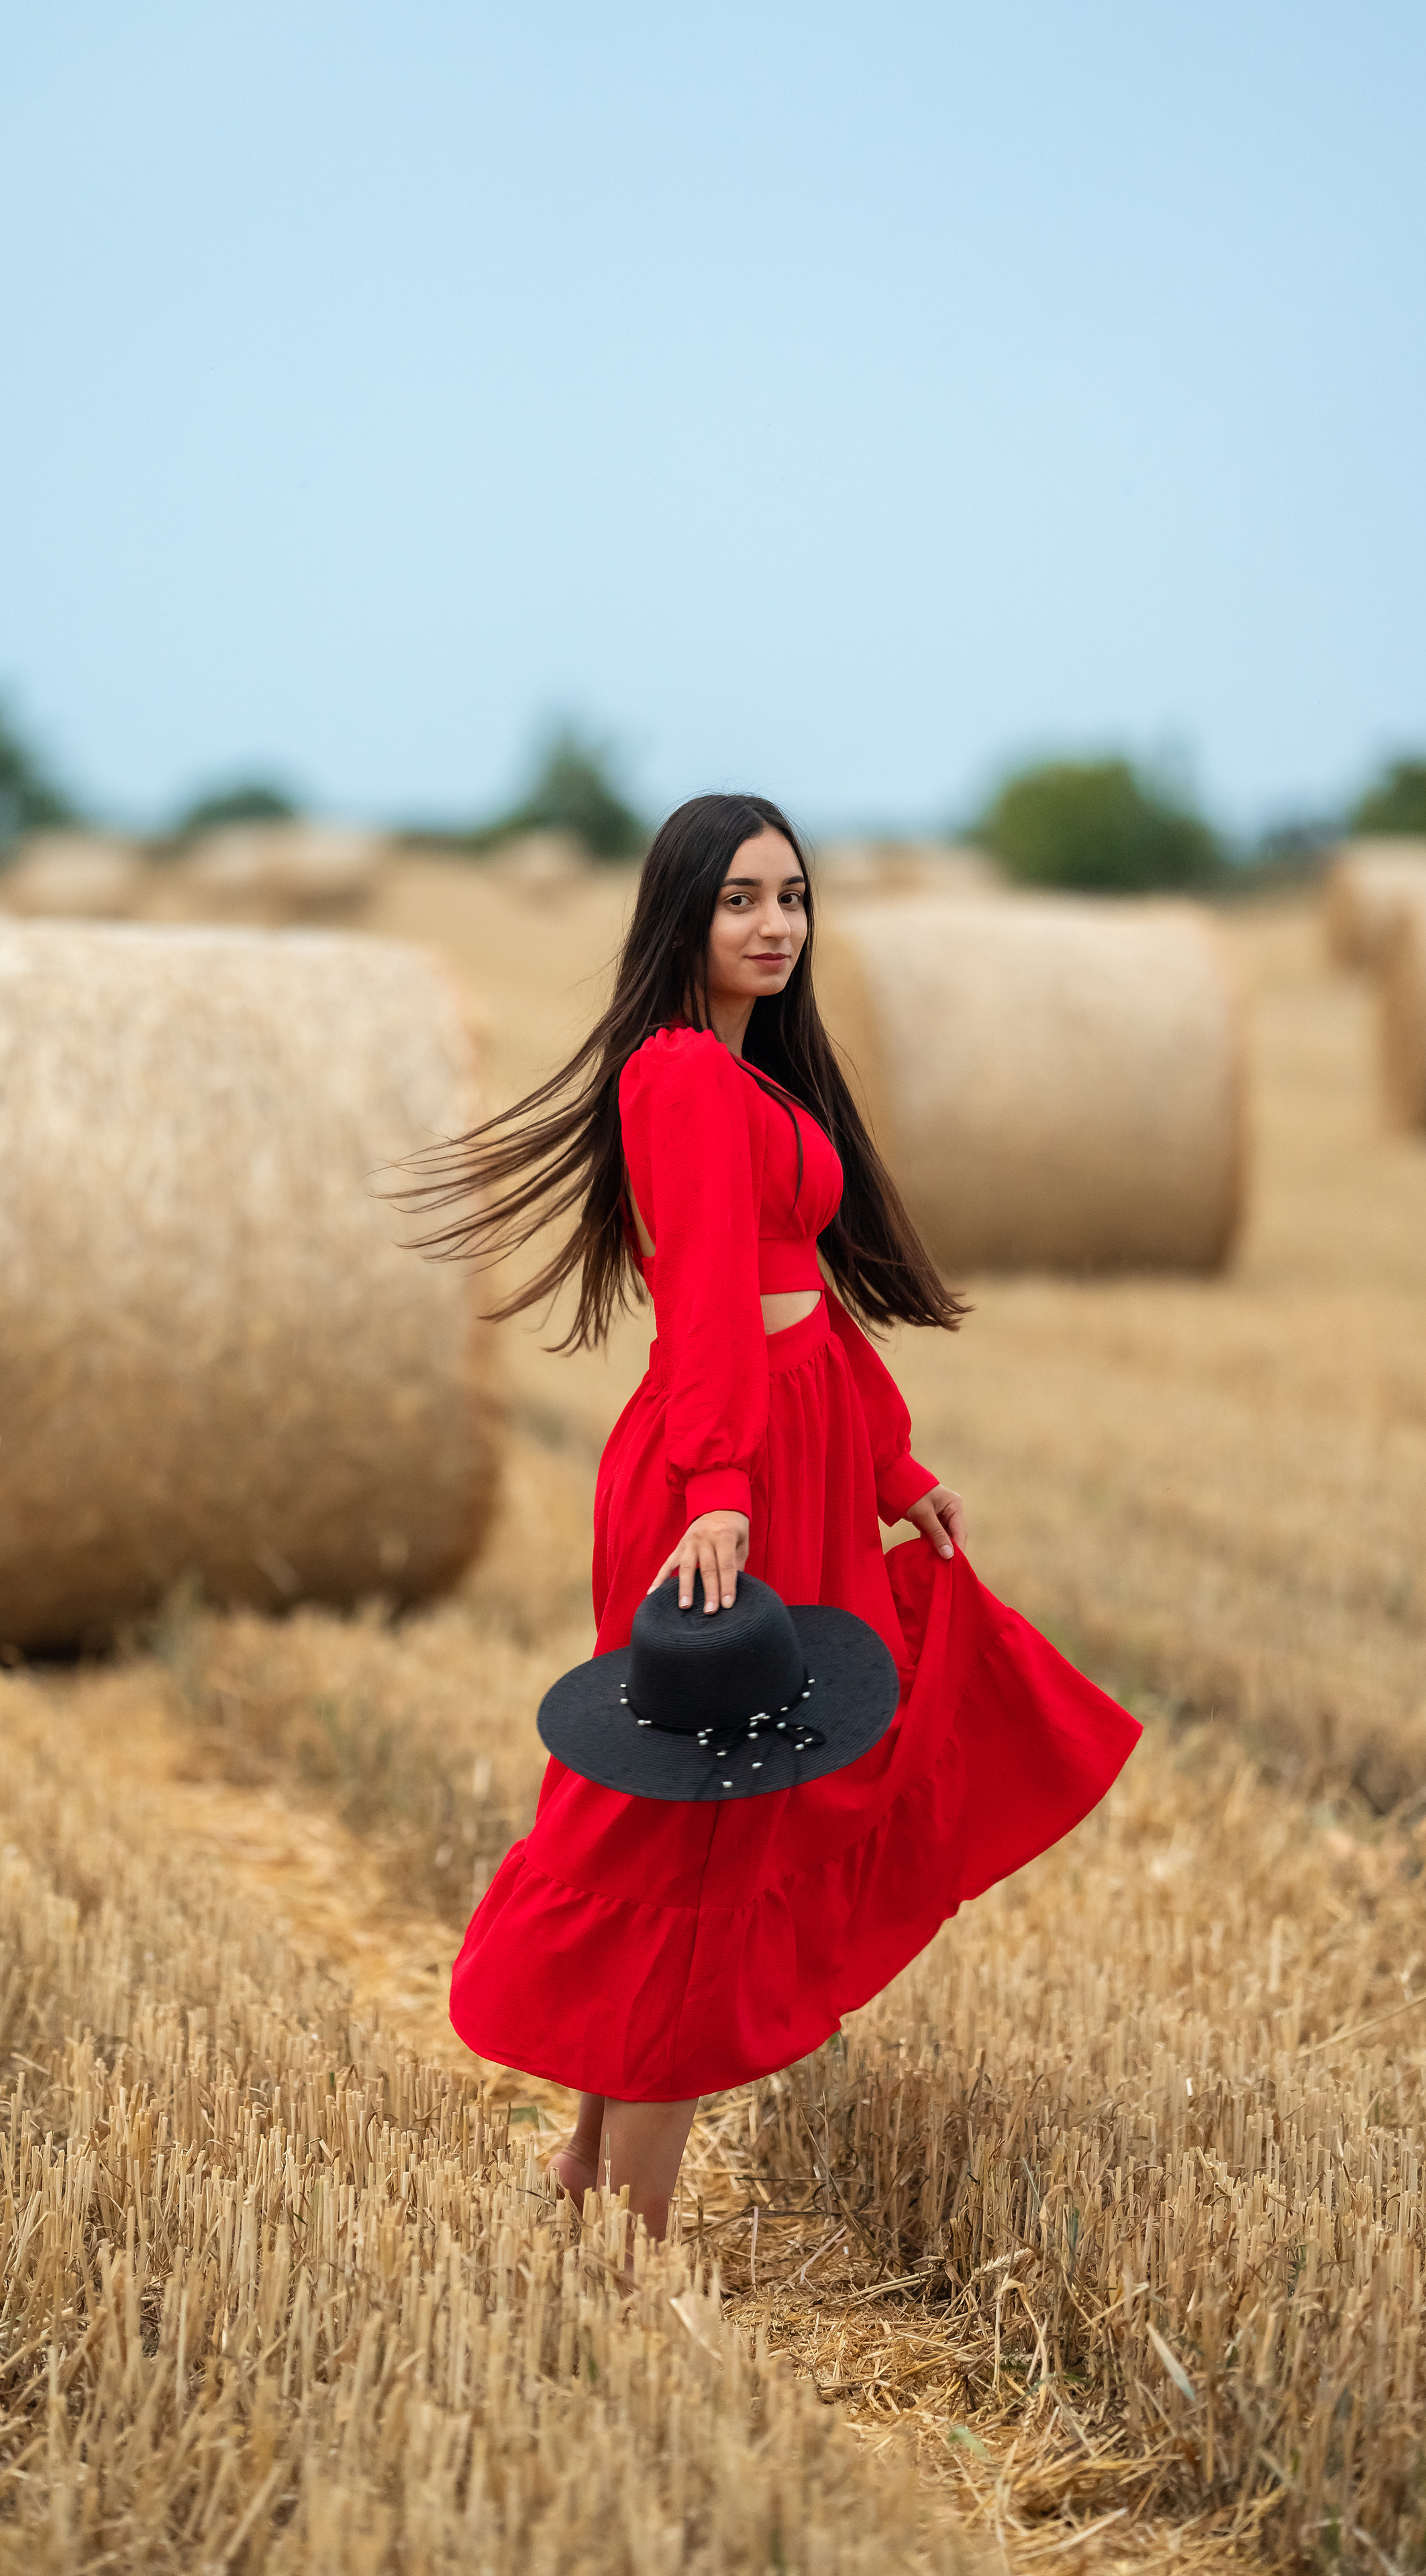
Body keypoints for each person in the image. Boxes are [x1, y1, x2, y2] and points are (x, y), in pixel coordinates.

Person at [405, 792, 1138, 2253]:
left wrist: (885, 1468)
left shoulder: (758, 1084)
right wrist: (722, 1489)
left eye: (790, 898)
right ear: (682, 910)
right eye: (739, 898)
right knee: (693, 1833)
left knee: (727, 1817)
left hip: (784, 1462)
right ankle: (634, 2229)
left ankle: (586, 2178)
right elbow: (705, 1310)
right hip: (714, 1476)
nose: (773, 926)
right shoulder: (676, 1076)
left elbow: (807, 1303)